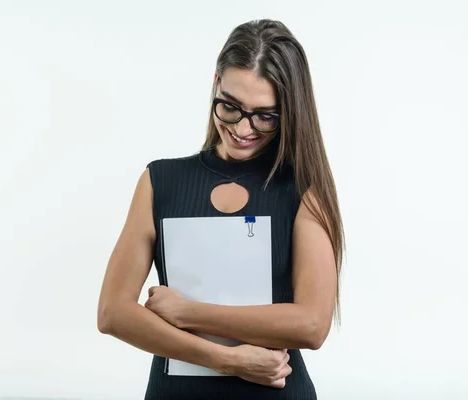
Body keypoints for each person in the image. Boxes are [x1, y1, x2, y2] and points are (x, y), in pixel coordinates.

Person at [97, 18, 344, 400]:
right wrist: (224, 359)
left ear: (290, 111)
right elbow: (112, 313)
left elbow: (312, 324)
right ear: (215, 82)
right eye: (230, 106)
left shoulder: (303, 190)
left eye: (265, 116)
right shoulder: (160, 180)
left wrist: (188, 312)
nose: (244, 128)